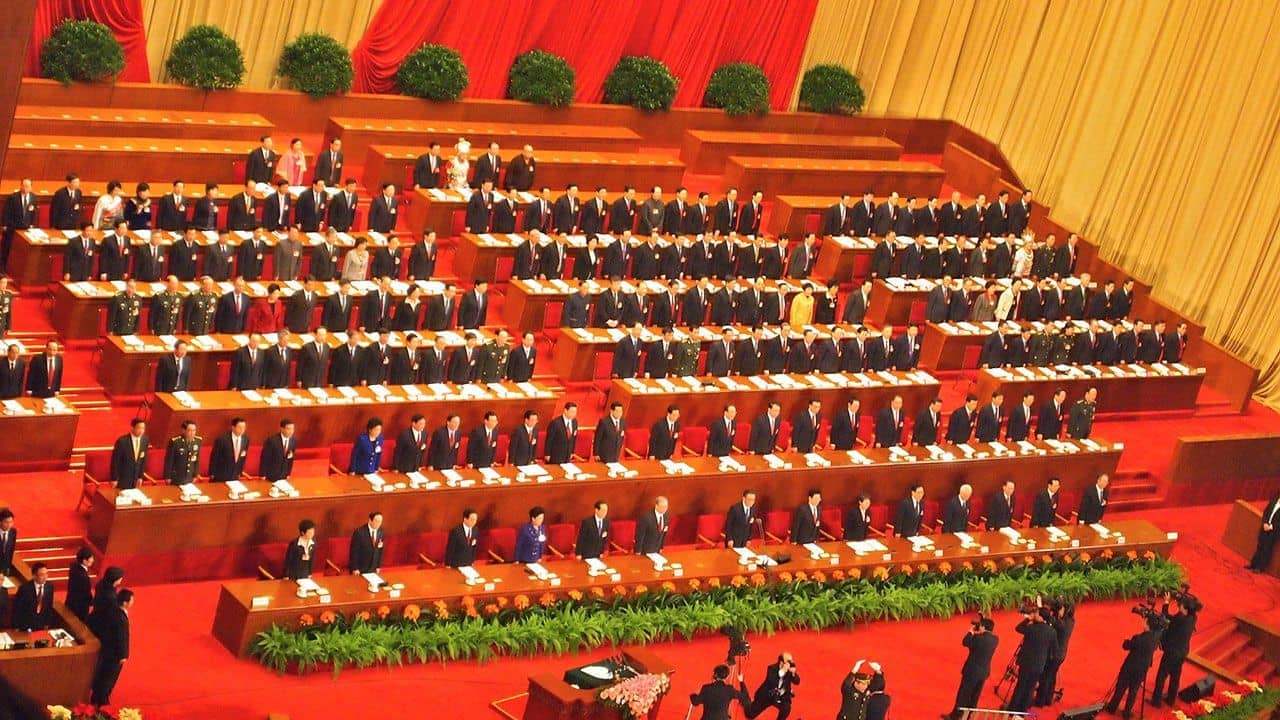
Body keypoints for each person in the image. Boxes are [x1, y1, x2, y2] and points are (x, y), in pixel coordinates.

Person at [1104, 615, 1162, 719]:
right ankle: (1127, 713)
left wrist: (1126, 641)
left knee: (1120, 688)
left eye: (1145, 621)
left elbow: (1126, 646)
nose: (1143, 621)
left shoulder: (1138, 638)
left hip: (1130, 668)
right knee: (1133, 691)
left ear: (1147, 625)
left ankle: (1112, 708)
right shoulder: (1155, 638)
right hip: (1142, 670)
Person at [1005, 605, 1056, 712]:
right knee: (1030, 688)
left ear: (1041, 617)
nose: (1034, 615)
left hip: (1026, 662)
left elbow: (1018, 628)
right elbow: (1054, 649)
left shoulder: (1032, 628)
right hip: (1039, 665)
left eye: (1036, 614)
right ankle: (1022, 711)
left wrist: (1029, 618)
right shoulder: (1052, 631)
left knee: (1020, 686)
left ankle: (1012, 709)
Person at [1151, 593, 1198, 707]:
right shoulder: (1193, 618)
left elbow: (1166, 617)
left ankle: (1156, 701)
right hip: (1182, 651)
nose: (1179, 605)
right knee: (1175, 676)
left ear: (1185, 608)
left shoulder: (1180, 619)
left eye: (1181, 604)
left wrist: (1166, 602)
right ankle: (1171, 699)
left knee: (1162, 675)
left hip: (1172, 651)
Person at [946, 617, 998, 720]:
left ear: (982, 626)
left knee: (964, 693)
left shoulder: (977, 639)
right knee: (975, 695)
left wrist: (971, 632)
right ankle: (968, 716)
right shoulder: (995, 639)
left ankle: (956, 716)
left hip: (972, 671)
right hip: (984, 672)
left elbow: (965, 642)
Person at [90, 587, 133, 707]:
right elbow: (122, 637)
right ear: (125, 603)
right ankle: (102, 700)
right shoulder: (121, 618)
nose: (132, 603)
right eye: (131, 600)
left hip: (107, 649)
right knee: (109, 676)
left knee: (103, 673)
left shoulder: (113, 610)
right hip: (114, 653)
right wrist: (124, 654)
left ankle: (96, 696)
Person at [1035, 601, 1076, 707]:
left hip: (1054, 655)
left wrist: (1041, 609)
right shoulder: (1071, 621)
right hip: (1060, 654)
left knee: (1045, 676)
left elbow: (1050, 620)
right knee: (1051, 676)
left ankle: (1040, 701)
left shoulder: (1062, 624)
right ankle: (1048, 699)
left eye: (1061, 609)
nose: (1060, 611)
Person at [745, 653, 800, 720]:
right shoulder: (771, 668)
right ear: (781, 662)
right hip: (768, 695)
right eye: (788, 661)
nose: (791, 663)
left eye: (791, 661)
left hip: (781, 696)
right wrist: (782, 671)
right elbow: (771, 682)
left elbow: (797, 682)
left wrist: (793, 673)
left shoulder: (790, 670)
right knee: (749, 714)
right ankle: (746, 702)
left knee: (786, 708)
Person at [13, 561, 55, 629]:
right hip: (26, 624)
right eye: (41, 575)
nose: (45, 577)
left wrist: (47, 623)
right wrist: (16, 627)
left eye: (46, 574)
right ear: (34, 576)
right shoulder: (24, 589)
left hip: (41, 624)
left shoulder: (50, 587)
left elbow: (49, 606)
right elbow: (18, 609)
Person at [110, 418, 149, 489]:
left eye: (143, 428)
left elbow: (143, 460)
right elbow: (115, 461)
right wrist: (114, 478)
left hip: (135, 479)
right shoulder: (122, 442)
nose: (141, 431)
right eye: (139, 428)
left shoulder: (145, 440)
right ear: (132, 428)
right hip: (123, 479)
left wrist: (140, 476)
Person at [208, 417, 250, 482]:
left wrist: (240, 471)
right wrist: (212, 473)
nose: (242, 430)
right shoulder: (222, 440)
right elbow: (214, 457)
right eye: (240, 427)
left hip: (235, 475)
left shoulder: (246, 439)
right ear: (233, 427)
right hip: (221, 474)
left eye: (244, 427)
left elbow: (243, 457)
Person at [163, 420, 202, 485]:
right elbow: (169, 460)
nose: (192, 433)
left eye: (194, 430)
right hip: (177, 476)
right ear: (183, 430)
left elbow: (196, 459)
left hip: (189, 476)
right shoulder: (175, 442)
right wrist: (167, 476)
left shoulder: (198, 441)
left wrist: (195, 474)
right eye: (190, 430)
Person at [66, 546, 95, 623]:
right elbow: (86, 593)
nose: (93, 560)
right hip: (79, 607)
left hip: (70, 601)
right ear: (84, 561)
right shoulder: (84, 577)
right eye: (91, 558)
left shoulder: (74, 566)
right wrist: (93, 602)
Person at [0, 508, 14, 575]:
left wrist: (8, 566)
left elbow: (11, 550)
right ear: (0, 522)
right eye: (6, 522)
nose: (9, 525)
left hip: (5, 567)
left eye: (11, 522)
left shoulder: (13, 532)